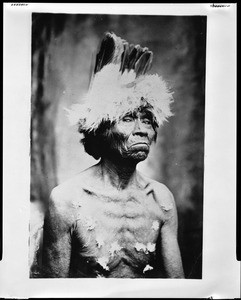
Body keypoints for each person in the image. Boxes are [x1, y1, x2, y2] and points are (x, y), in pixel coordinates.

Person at [41, 32, 185, 278]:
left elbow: (178, 288)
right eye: (128, 118)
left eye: (148, 120)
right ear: (100, 131)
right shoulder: (66, 200)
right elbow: (54, 290)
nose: (141, 130)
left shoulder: (161, 199)